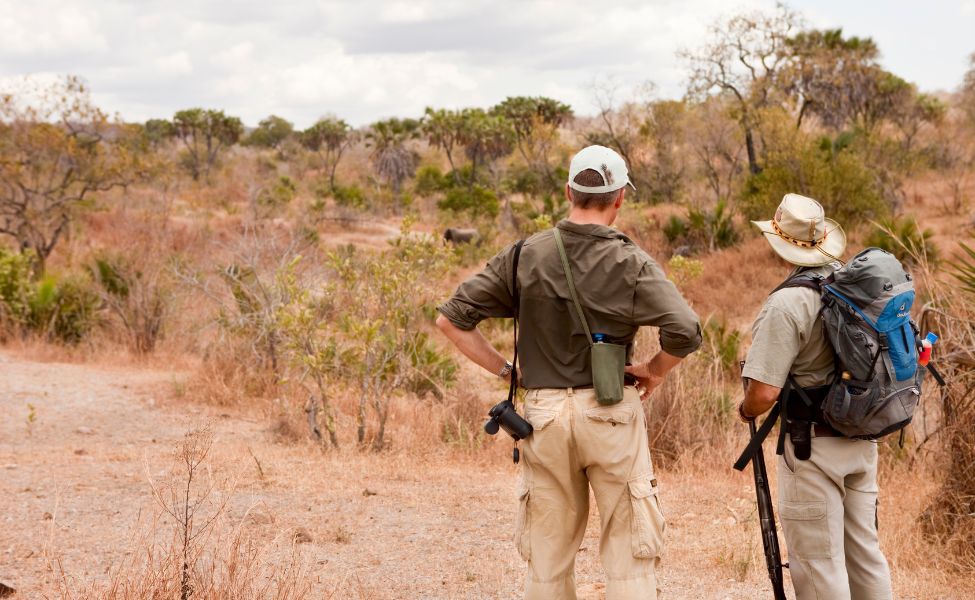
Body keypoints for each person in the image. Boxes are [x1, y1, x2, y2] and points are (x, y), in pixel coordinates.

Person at [435, 145, 701, 600]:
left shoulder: (525, 254)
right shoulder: (631, 261)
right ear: (619, 198)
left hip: (543, 416)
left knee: (548, 558)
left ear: (568, 192)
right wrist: (654, 370)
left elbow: (451, 319)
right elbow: (686, 331)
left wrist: (506, 370)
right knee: (628, 555)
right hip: (611, 411)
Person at [738, 193, 892, 600]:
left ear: (780, 242)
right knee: (866, 558)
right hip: (862, 440)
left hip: (811, 450)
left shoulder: (787, 303)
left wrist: (745, 408)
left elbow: (764, 393)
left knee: (819, 566)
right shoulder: (855, 285)